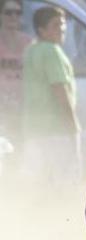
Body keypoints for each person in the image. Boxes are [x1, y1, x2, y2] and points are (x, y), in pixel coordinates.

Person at [22, 6, 81, 185]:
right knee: (65, 182)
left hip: (34, 129)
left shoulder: (31, 50)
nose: (62, 29)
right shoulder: (52, 51)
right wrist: (73, 126)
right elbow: (60, 90)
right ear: (42, 30)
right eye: (55, 25)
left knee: (36, 184)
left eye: (62, 24)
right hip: (56, 130)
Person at [0, 0, 31, 170]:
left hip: (23, 111)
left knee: (20, 154)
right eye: (9, 12)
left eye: (18, 13)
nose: (13, 16)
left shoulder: (29, 43)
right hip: (2, 111)